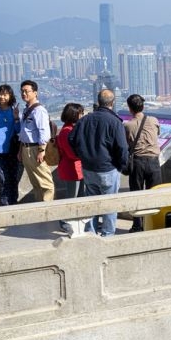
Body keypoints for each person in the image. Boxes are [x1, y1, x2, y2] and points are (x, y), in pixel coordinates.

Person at [68, 89, 128, 236]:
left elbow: (71, 139)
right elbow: (122, 148)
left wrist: (81, 155)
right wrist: (121, 165)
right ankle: (107, 235)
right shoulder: (115, 122)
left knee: (91, 204)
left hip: (88, 168)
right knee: (109, 205)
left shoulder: (84, 120)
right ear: (112, 103)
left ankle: (91, 233)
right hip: (108, 168)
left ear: (98, 102)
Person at [123, 94, 163, 232]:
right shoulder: (153, 120)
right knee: (154, 194)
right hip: (153, 161)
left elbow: (127, 143)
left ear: (130, 108)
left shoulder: (128, 125)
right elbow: (157, 134)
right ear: (143, 106)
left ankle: (137, 225)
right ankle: (154, 223)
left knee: (136, 194)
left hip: (138, 162)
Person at [18, 80, 54, 202]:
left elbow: (44, 132)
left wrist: (41, 150)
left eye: (26, 91)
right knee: (36, 183)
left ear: (35, 93)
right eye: (22, 91)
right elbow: (24, 132)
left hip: (35, 149)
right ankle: (40, 210)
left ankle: (48, 211)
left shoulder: (39, 110)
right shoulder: (26, 110)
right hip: (25, 149)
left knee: (46, 184)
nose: (24, 94)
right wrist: (20, 150)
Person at [56, 103, 85, 234]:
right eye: (81, 113)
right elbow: (71, 154)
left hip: (78, 168)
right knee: (71, 197)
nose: (82, 115)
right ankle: (64, 221)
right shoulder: (66, 132)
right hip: (71, 168)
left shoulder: (70, 129)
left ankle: (76, 220)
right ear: (74, 115)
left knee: (79, 196)